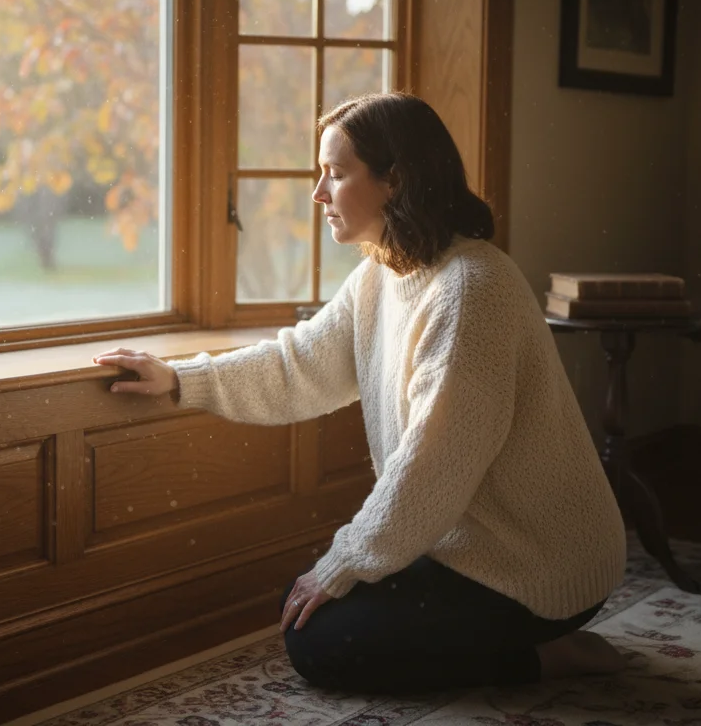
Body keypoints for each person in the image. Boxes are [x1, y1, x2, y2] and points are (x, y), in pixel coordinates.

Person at [93, 92, 627, 694]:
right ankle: (512, 644)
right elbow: (300, 366)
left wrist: (345, 561)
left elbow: (435, 463)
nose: (319, 194)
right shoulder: (383, 273)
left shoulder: (472, 288)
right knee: (306, 605)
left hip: (537, 563)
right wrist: (181, 380)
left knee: (323, 644)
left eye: (337, 174)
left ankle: (547, 653)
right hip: (459, 543)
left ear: (394, 181)